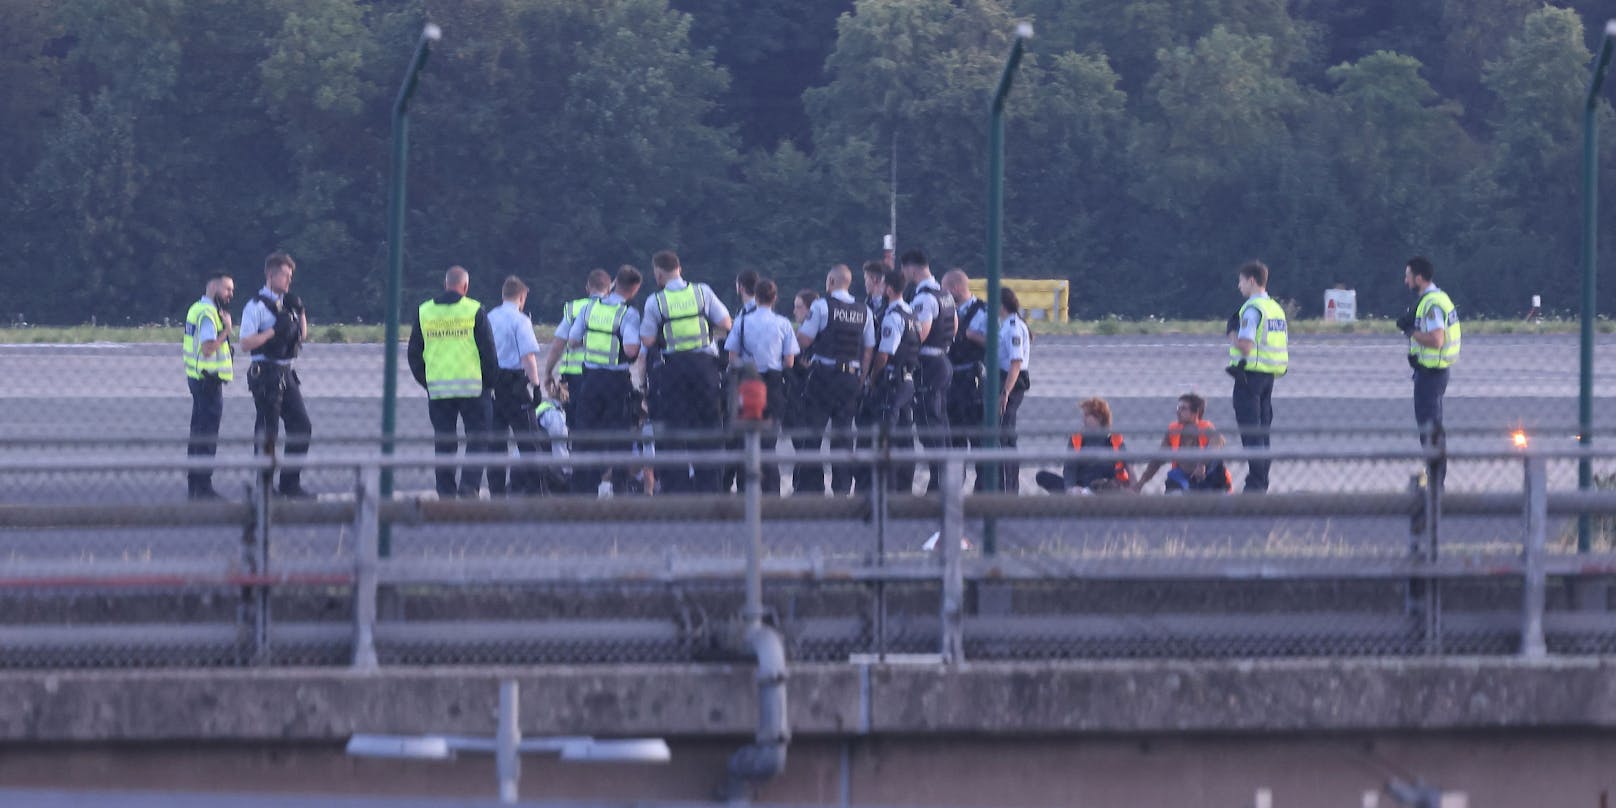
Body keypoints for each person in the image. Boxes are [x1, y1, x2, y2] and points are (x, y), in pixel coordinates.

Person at [639, 250, 732, 493]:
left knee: (673, 433)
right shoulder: (703, 292)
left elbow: (647, 340)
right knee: (709, 430)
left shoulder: (655, 301)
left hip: (674, 372)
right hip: (705, 370)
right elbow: (726, 323)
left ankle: (676, 493)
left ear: (659, 274)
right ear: (679, 268)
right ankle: (711, 490)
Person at [407, 266, 499, 499]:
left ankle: (445, 491)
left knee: (445, 442)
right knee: (479, 438)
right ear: (465, 286)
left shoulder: (424, 311)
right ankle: (469, 486)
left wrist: (427, 380)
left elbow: (414, 354)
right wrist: (489, 383)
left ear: (444, 283)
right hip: (473, 389)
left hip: (439, 390)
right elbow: (488, 352)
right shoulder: (475, 310)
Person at [795, 264, 876, 495]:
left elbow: (804, 340)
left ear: (831, 282)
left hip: (823, 377)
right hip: (850, 379)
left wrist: (796, 357)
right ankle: (841, 490)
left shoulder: (822, 306)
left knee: (813, 434)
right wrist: (861, 377)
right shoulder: (865, 311)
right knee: (843, 437)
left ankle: (810, 489)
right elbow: (868, 349)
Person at [239, 251, 312, 498]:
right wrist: (271, 332)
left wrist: (300, 312)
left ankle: (290, 483)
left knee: (301, 426)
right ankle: (264, 486)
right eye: (285, 275)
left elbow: (302, 336)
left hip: (286, 371)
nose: (289, 281)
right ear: (271, 275)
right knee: (268, 431)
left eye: (291, 276)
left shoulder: (288, 305)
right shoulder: (255, 306)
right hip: (266, 373)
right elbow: (245, 343)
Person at [566, 265, 644, 495]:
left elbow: (572, 340)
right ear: (634, 289)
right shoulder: (627, 314)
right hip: (615, 382)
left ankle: (583, 489)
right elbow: (630, 350)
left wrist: (593, 341)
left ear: (614, 283)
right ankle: (619, 488)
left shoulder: (590, 309)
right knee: (619, 437)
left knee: (586, 436)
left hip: (589, 381)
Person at [725, 278, 799, 495]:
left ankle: (745, 490)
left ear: (755, 297)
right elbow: (789, 361)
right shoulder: (783, 323)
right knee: (768, 442)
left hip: (747, 384)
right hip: (773, 384)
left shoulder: (742, 322)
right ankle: (771, 493)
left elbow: (732, 356)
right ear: (775, 298)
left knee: (745, 439)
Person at [1400, 256, 1461, 491]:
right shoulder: (1438, 298)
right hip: (1432, 372)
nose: (1405, 282)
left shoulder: (1433, 304)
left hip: (1431, 374)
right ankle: (1435, 476)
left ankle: (1436, 481)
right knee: (1432, 427)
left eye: (1408, 276)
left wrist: (1411, 332)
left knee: (1430, 428)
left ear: (1418, 278)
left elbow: (1437, 339)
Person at [1228, 260, 1288, 494]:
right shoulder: (1275, 308)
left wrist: (1231, 332)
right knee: (1263, 435)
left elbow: (1245, 346)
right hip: (1268, 377)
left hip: (1248, 378)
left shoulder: (1252, 309)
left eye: (1241, 281)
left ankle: (1255, 485)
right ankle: (1261, 482)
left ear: (1252, 281)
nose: (1239, 286)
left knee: (1251, 435)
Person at [486, 275, 546, 496]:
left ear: (503, 295)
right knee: (529, 442)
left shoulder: (489, 317)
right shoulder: (521, 321)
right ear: (521, 297)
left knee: (496, 446)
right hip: (515, 386)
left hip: (493, 386)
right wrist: (536, 386)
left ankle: (496, 495)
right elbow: (528, 357)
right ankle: (536, 493)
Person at [900, 250, 954, 493]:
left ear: (912, 269)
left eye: (904, 270)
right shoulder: (944, 294)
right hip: (942, 360)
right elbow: (954, 326)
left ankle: (938, 482)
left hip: (928, 367)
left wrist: (904, 352)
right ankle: (945, 478)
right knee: (940, 422)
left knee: (928, 425)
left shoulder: (923, 299)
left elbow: (919, 334)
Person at [865, 267, 920, 492]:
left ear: (888, 288)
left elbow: (884, 354)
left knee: (888, 434)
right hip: (908, 380)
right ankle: (905, 489)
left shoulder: (893, 317)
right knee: (906, 438)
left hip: (892, 381)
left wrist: (873, 377)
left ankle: (888, 489)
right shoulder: (911, 313)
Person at [183, 272, 235, 499]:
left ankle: (194, 485)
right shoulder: (207, 314)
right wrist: (227, 331)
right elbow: (207, 348)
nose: (231, 295)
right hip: (208, 382)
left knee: (197, 433)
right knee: (207, 436)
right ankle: (203, 487)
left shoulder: (196, 308)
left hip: (197, 379)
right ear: (214, 288)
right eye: (228, 289)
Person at [544, 268, 611, 429]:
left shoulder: (574, 308)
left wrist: (548, 372)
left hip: (574, 377)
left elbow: (558, 345)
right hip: (606, 375)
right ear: (608, 289)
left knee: (576, 423)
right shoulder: (615, 310)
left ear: (587, 287)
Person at [942, 268, 990, 490]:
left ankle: (982, 493)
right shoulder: (946, 311)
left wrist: (972, 335)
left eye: (945, 289)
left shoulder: (983, 312)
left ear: (955, 288)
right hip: (951, 382)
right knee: (954, 442)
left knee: (979, 441)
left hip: (972, 382)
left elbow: (995, 343)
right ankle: (954, 491)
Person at [1132, 393, 1232, 494]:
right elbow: (1158, 459)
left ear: (1195, 413)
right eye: (1178, 408)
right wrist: (1140, 483)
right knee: (1173, 478)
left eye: (1183, 408)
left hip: (1207, 477)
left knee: (1215, 460)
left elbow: (1218, 441)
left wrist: (1202, 464)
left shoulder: (1206, 428)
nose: (1178, 412)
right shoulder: (1173, 430)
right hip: (1183, 476)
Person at [1035, 397, 1132, 494]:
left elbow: (1128, 467)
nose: (1083, 419)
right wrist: (1071, 488)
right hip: (1080, 489)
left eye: (1087, 415)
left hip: (1105, 489)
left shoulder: (1113, 439)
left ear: (1099, 417)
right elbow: (1070, 469)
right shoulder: (1077, 439)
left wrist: (1133, 486)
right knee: (1042, 476)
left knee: (1108, 487)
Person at [993, 287, 1031, 493]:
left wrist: (1005, 392)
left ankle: (1008, 489)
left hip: (1011, 382)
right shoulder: (1006, 325)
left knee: (1005, 436)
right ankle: (1004, 487)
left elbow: (1015, 363)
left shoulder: (1013, 327)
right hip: (1006, 379)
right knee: (1002, 435)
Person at [531, 383, 572, 495]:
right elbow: (559, 449)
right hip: (546, 467)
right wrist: (568, 472)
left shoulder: (543, 406)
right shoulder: (555, 415)